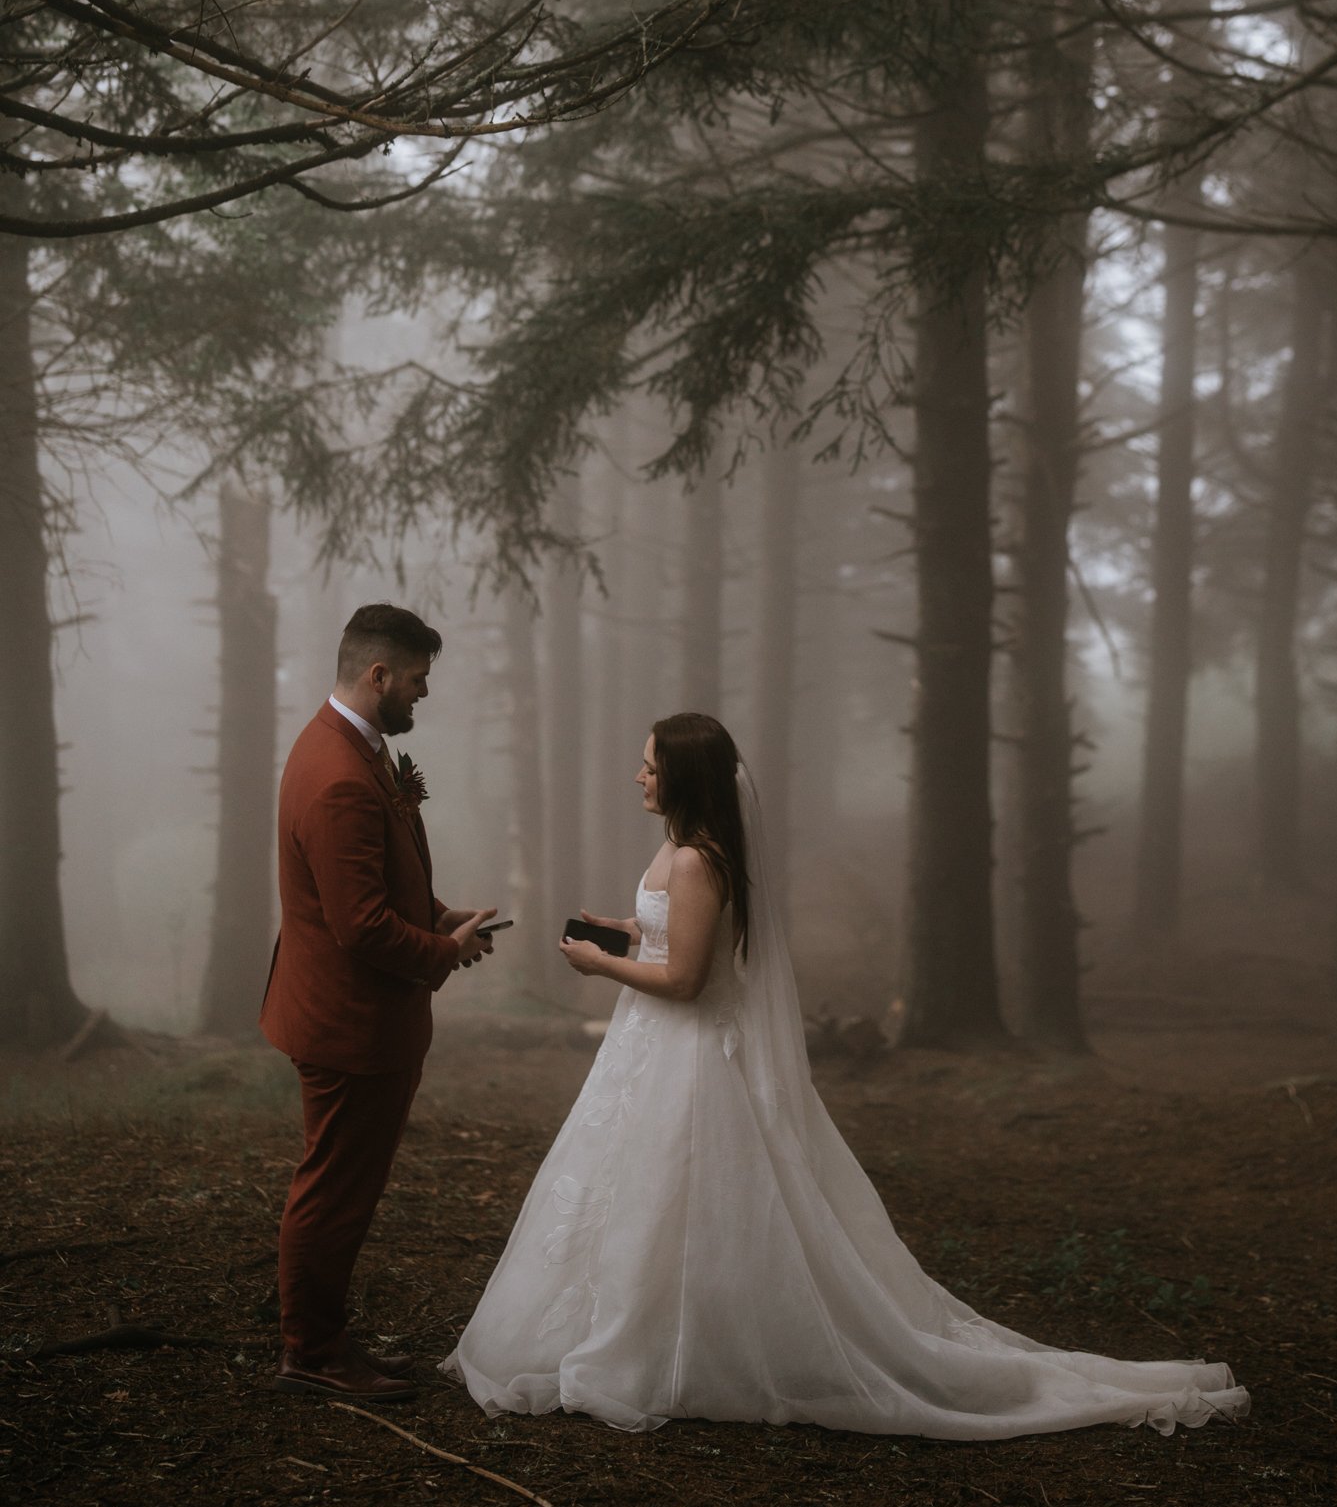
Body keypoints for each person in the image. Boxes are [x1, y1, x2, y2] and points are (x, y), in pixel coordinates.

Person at [443, 712, 1248, 1440]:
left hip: (685, 1053)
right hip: (655, 1049)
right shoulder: (682, 851)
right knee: (649, 1197)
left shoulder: (695, 860)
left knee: (676, 1192)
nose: (639, 775)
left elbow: (688, 981)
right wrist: (625, 932)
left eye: (651, 765)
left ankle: (680, 1343)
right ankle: (664, 1327)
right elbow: (685, 943)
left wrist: (598, 965)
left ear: (683, 776)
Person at [261, 602, 499, 1402]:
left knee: (340, 1185)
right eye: (418, 681)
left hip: (356, 1015)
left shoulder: (352, 752)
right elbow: (359, 927)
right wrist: (446, 952)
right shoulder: (336, 776)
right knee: (333, 1189)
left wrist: (436, 917)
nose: (422, 696)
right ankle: (314, 1353)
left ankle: (319, 1340)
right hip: (349, 1023)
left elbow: (368, 889)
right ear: (378, 675)